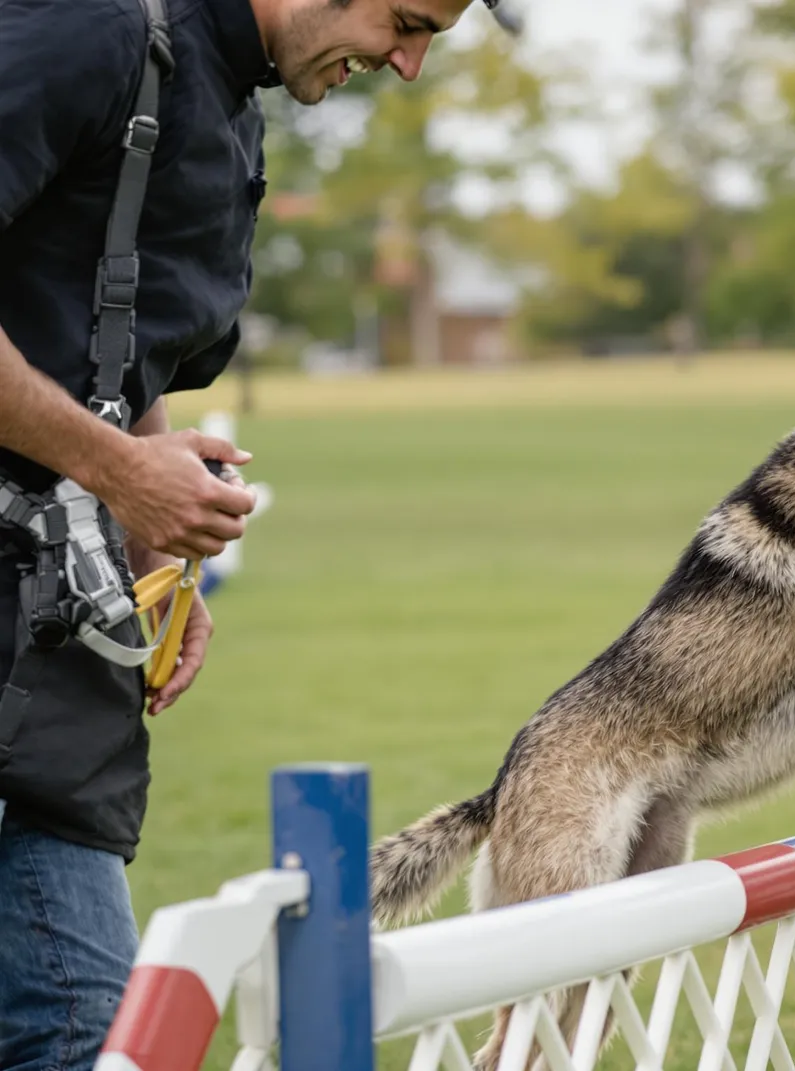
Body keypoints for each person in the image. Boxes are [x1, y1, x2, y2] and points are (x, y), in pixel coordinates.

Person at [0, 0, 510, 1066]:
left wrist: (153, 553)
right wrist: (117, 474)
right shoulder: (88, 28)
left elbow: (120, 357)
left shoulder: (227, 102)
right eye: (407, 21)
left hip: (44, 688)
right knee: (78, 1038)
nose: (408, 65)